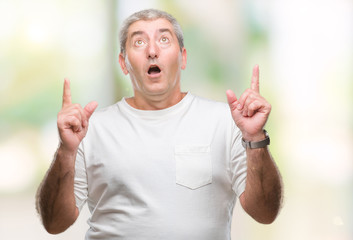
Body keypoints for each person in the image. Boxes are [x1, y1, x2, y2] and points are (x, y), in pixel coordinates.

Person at [36, 9, 283, 239]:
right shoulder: (90, 129)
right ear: (123, 63)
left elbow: (265, 213)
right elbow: (54, 223)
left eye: (164, 40)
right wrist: (65, 151)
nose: (152, 50)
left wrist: (255, 139)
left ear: (182, 57)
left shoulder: (226, 122)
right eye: (139, 42)